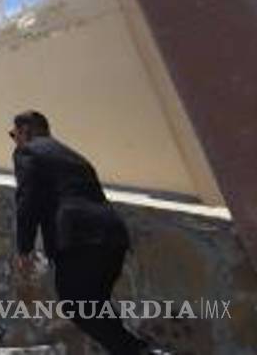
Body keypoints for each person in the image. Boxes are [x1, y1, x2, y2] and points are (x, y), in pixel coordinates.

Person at [9, 110, 162, 355]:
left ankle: (140, 352)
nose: (14, 140)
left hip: (79, 239)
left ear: (26, 131)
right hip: (112, 236)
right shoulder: (75, 157)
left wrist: (25, 249)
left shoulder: (28, 151)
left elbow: (28, 200)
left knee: (76, 304)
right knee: (95, 306)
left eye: (13, 134)